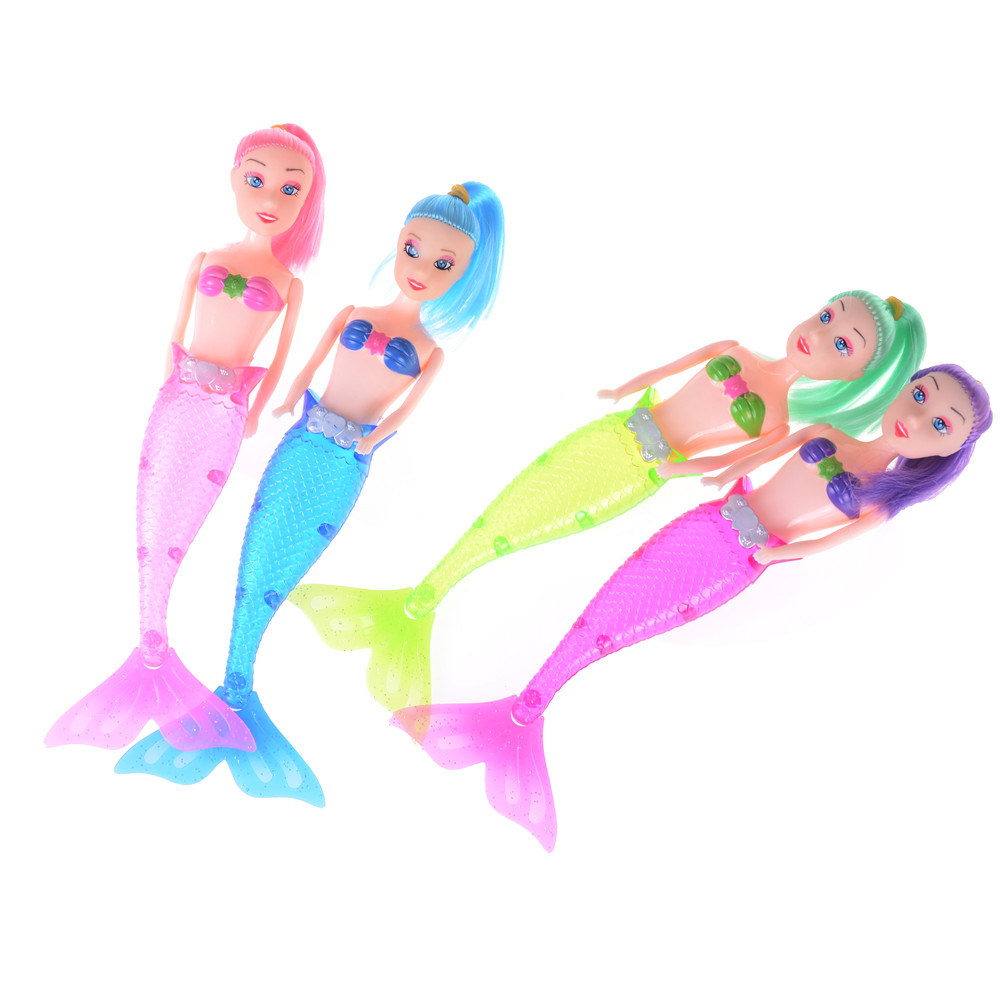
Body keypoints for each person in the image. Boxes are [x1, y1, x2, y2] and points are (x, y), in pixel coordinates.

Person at [392, 365, 992, 850]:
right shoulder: (827, 431)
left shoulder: (880, 504)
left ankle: (524, 712)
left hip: (735, 562)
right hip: (709, 520)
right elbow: (749, 460)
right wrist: (708, 473)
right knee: (609, 599)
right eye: (921, 395)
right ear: (906, 384)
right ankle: (521, 706)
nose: (917, 417)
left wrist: (772, 555)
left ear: (945, 454)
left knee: (617, 629)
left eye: (939, 423)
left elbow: (820, 544)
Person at [292, 292, 925, 713]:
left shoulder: (783, 424)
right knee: (513, 509)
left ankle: (426, 618)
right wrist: (626, 389)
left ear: (855, 378)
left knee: (531, 530)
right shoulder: (735, 351)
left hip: (639, 474)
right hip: (613, 432)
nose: (822, 334)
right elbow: (666, 374)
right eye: (828, 316)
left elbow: (718, 469)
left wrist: (680, 470)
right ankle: (419, 599)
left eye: (845, 345)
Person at [117, 183, 505, 804]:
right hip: (300, 438)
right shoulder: (352, 314)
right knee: (252, 546)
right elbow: (305, 369)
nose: (422, 269)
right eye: (413, 248)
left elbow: (403, 412)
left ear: (464, 276)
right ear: (398, 242)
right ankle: (227, 689)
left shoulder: (430, 352)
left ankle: (236, 684)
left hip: (342, 464)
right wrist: (284, 400)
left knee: (276, 565)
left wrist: (371, 440)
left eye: (444, 263)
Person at [47, 124, 326, 754]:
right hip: (176, 396)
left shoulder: (290, 285)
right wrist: (168, 384)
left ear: (305, 202)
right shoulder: (205, 259)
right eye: (256, 180)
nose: (270, 198)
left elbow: (280, 357)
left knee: (184, 526)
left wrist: (256, 409)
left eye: (290, 189)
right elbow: (176, 329)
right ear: (233, 179)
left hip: (227, 410)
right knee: (152, 524)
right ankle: (150, 642)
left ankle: (164, 658)